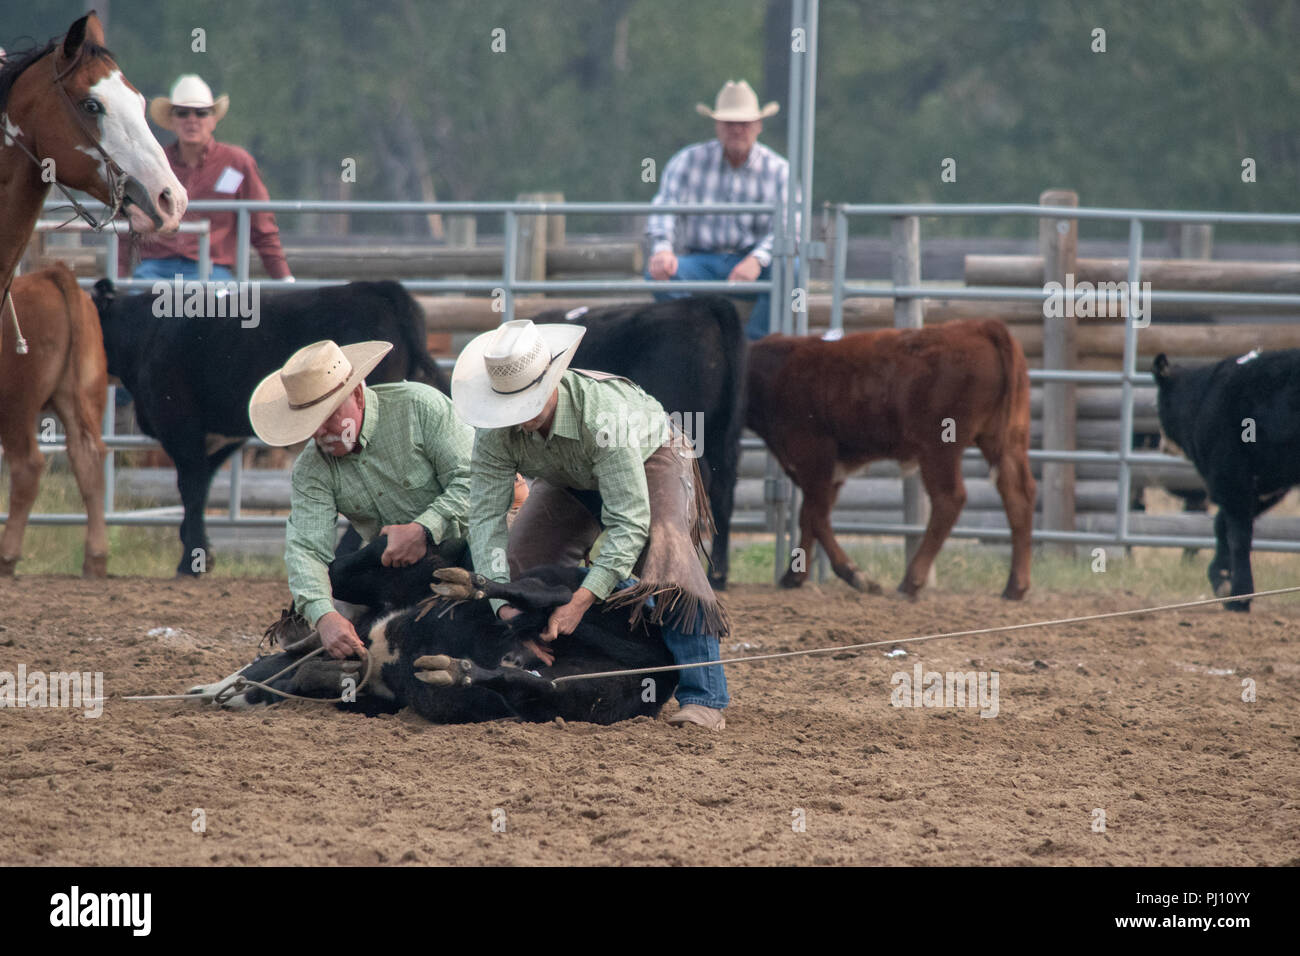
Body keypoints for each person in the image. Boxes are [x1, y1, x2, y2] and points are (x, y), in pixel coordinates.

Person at [452, 319, 732, 730]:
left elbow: (629, 521)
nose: (521, 416)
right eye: (511, 406)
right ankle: (563, 663)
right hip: (566, 475)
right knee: (520, 558)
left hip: (652, 454)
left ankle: (704, 697)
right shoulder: (495, 433)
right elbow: (485, 519)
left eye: (529, 401)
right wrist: (506, 606)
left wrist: (581, 600)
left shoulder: (604, 416)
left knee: (666, 551)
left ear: (553, 380)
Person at [249, 340, 473, 660]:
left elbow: (475, 482)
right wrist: (324, 616)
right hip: (404, 568)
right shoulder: (313, 469)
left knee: (491, 571)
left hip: (467, 542)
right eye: (311, 423)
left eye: (329, 416)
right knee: (339, 579)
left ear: (357, 394)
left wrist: (424, 529)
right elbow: (306, 549)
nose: (322, 431)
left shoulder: (420, 408)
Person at [645, 79, 791, 341]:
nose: (737, 130)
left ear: (758, 126)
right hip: (702, 263)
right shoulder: (687, 161)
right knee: (659, 273)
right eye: (729, 123)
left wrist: (757, 259)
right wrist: (663, 249)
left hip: (755, 264)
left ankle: (755, 346)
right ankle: (697, 341)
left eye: (744, 123)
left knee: (793, 269)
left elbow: (790, 226)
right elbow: (664, 206)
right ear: (717, 126)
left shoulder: (779, 170)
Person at [120, 74, 292, 282]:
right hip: (155, 269)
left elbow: (262, 227)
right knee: (139, 307)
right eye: (183, 113)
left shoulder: (237, 163)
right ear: (172, 121)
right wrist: (116, 279)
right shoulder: (153, 164)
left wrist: (284, 279)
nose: (192, 120)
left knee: (221, 309)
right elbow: (125, 227)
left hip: (212, 270)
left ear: (213, 120)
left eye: (201, 113)